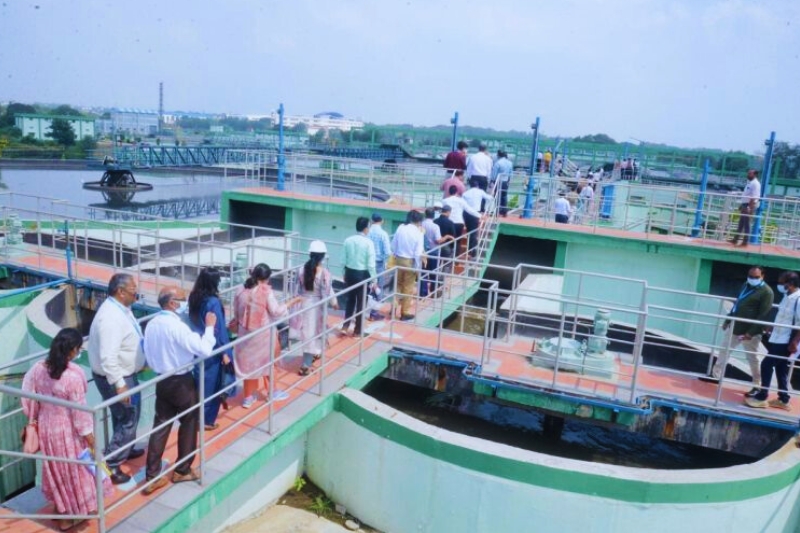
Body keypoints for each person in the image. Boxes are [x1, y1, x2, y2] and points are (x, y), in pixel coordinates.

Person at [23, 328, 112, 531]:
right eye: (78, 349)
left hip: (47, 428)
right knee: (74, 470)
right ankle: (68, 518)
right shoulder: (72, 377)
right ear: (72, 350)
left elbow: (28, 396)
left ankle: (60, 508)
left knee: (57, 469)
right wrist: (91, 439)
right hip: (67, 431)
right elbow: (79, 415)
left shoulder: (39, 369)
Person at [142, 287, 217, 495]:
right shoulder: (177, 326)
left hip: (162, 379)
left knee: (161, 425)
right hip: (181, 380)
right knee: (190, 422)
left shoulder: (152, 324)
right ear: (173, 303)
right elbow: (203, 349)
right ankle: (182, 469)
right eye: (182, 299)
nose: (185, 303)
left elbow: (146, 351)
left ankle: (152, 475)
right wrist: (210, 327)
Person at [87, 273, 145, 485]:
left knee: (123, 417)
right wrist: (120, 385)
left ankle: (125, 448)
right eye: (133, 291)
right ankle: (111, 464)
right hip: (119, 378)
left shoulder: (120, 310)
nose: (136, 294)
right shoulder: (110, 318)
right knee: (129, 418)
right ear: (121, 292)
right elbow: (108, 357)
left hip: (124, 374)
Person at [232, 264, 302, 405]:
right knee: (270, 363)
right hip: (263, 336)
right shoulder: (265, 292)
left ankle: (248, 398)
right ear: (267, 278)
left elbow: (236, 311)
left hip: (245, 335)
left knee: (249, 366)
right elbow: (276, 311)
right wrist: (291, 302)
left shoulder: (241, 289)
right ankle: (272, 392)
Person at [700, 266, 774, 394]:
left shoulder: (767, 292)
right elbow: (737, 304)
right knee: (724, 351)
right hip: (735, 326)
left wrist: (750, 333)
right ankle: (715, 376)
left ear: (762, 276)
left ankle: (757, 385)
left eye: (756, 277)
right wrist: (728, 320)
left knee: (752, 358)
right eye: (750, 276)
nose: (752, 279)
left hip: (750, 332)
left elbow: (763, 314)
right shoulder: (746, 285)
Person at [745, 271, 800, 410]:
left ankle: (762, 397)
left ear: (791, 284)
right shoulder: (786, 296)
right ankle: (784, 399)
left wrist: (795, 342)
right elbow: (782, 315)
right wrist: (771, 326)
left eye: (782, 283)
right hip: (777, 336)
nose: (780, 286)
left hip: (786, 340)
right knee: (781, 368)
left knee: (766, 365)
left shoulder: (798, 300)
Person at [188, 267, 232, 431]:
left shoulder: (194, 297)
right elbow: (217, 329)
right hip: (212, 348)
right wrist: (225, 352)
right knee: (213, 385)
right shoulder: (213, 302)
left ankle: (199, 417)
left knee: (201, 383)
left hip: (198, 345)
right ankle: (206, 420)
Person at [294, 240, 339, 375]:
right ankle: (305, 365)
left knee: (307, 333)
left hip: (304, 303)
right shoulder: (324, 273)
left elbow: (297, 289)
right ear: (323, 256)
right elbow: (328, 289)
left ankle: (311, 356)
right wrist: (334, 302)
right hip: (317, 306)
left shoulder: (302, 269)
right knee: (314, 333)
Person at [341, 216, 376, 337]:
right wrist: (374, 279)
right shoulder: (368, 243)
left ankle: (345, 326)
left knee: (350, 300)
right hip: (362, 274)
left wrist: (343, 273)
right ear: (366, 228)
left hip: (349, 272)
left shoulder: (348, 240)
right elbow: (371, 264)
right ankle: (357, 330)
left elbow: (343, 260)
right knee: (361, 303)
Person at [392, 210, 426, 320]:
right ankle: (404, 312)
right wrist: (417, 268)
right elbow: (418, 253)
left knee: (397, 285)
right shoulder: (418, 232)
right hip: (410, 261)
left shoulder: (401, 227)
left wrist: (396, 255)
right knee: (408, 288)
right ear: (419, 221)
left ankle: (394, 307)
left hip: (398, 259)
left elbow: (394, 244)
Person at [421, 207, 454, 298]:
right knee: (433, 273)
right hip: (433, 252)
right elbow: (438, 240)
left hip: (423, 251)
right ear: (433, 215)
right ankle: (433, 292)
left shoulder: (421, 224)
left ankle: (422, 293)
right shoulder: (435, 226)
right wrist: (447, 236)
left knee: (423, 273)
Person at [442, 184, 481, 258]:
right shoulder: (461, 201)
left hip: (449, 222)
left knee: (448, 239)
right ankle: (456, 256)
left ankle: (447, 256)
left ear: (449, 192)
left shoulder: (445, 201)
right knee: (458, 240)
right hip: (459, 223)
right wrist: (479, 215)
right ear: (456, 192)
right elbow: (469, 210)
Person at [730, 169, 761, 247]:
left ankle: (745, 242)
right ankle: (735, 239)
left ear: (755, 175)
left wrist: (749, 207)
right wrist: (742, 204)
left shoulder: (755, 184)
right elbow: (746, 195)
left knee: (747, 224)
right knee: (741, 223)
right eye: (748, 173)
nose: (748, 175)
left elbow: (754, 197)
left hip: (749, 205)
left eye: (750, 173)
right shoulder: (750, 182)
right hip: (745, 204)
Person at [463, 181, 493, 258]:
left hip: (466, 214)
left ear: (470, 186)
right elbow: (489, 198)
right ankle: (472, 251)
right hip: (475, 213)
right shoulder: (480, 191)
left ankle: (472, 250)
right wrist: (492, 192)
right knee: (473, 232)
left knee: (470, 231)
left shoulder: (465, 193)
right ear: (478, 186)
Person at [368, 213, 391, 290]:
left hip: (367, 261)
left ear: (371, 220)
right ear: (382, 221)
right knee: (380, 285)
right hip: (379, 262)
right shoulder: (383, 234)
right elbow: (387, 252)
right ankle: (378, 300)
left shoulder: (367, 232)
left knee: (368, 283)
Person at [466, 144, 493, 210]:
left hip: (474, 177)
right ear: (485, 150)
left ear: (478, 149)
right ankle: (482, 208)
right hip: (483, 178)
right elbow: (489, 170)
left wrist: (469, 177)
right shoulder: (488, 158)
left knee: (473, 193)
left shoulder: (472, 157)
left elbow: (469, 168)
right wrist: (489, 179)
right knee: (483, 193)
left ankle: (472, 207)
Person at [434, 204, 457, 274]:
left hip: (435, 245)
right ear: (448, 212)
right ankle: (441, 280)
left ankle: (434, 278)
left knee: (436, 264)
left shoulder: (435, 221)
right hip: (446, 245)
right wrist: (452, 247)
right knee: (446, 264)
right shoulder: (450, 222)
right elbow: (453, 235)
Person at [491, 150, 514, 216]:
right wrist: (509, 181)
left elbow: (494, 174)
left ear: (499, 155)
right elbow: (510, 174)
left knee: (497, 196)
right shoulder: (510, 163)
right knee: (504, 196)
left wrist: (492, 181)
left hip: (498, 181)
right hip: (505, 181)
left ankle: (497, 211)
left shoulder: (498, 163)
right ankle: (504, 212)